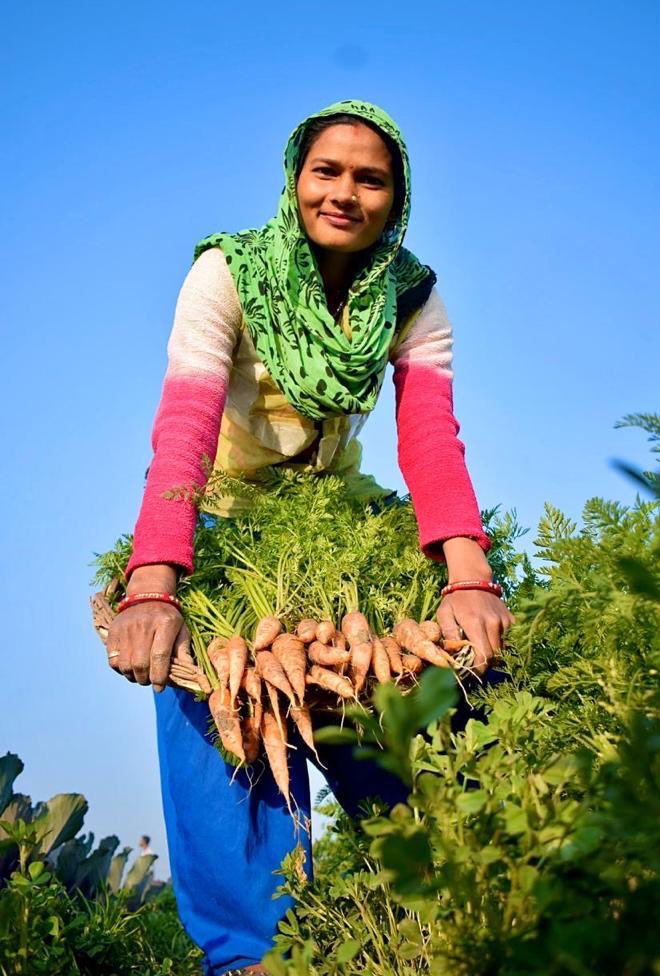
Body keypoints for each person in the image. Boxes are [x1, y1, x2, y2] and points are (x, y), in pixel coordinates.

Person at [105, 100, 515, 975]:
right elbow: (184, 425)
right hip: (217, 521)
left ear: (395, 197)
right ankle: (256, 959)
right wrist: (154, 586)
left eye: (371, 179)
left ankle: (439, 932)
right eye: (328, 171)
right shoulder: (229, 273)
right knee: (230, 726)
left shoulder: (413, 295)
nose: (345, 193)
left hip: (335, 518)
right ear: (296, 177)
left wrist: (469, 576)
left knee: (411, 721)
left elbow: (431, 438)